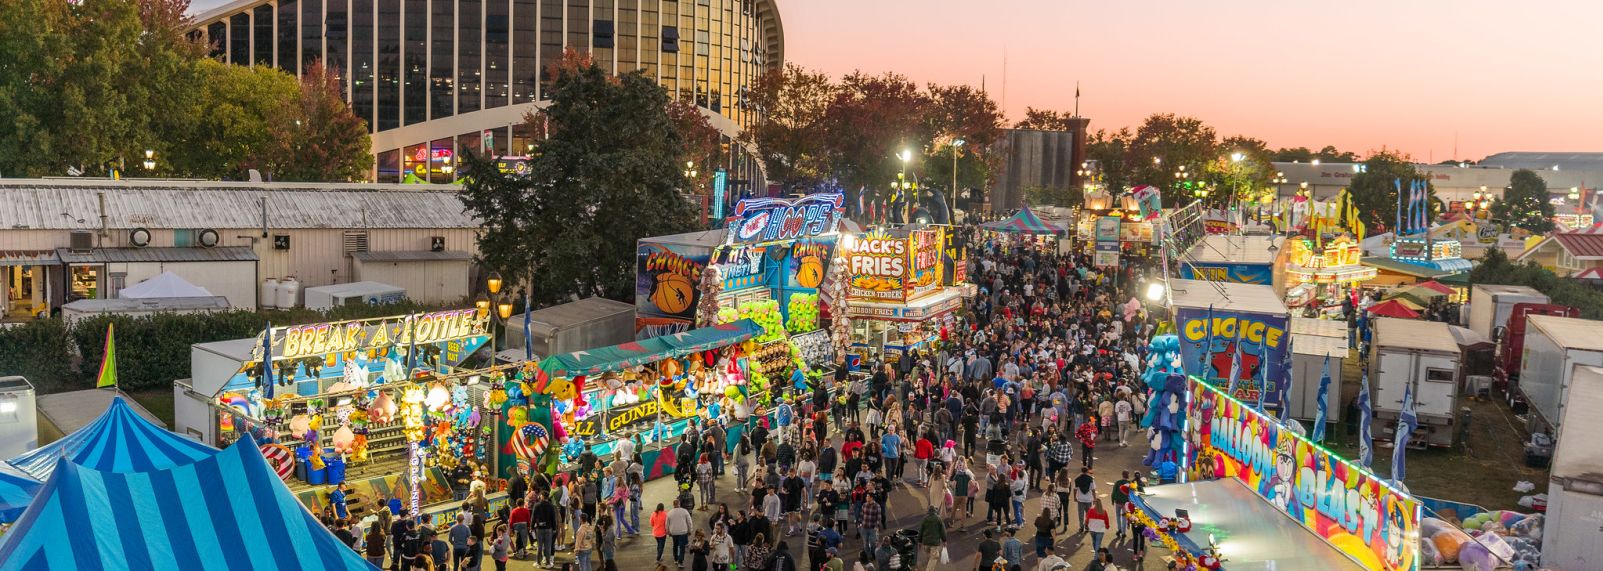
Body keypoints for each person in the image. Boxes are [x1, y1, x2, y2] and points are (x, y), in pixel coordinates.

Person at [532, 493, 559, 567]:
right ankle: (548, 563)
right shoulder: (551, 506)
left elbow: (533, 517)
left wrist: (531, 527)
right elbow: (553, 519)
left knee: (539, 546)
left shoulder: (537, 505)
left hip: (539, 528)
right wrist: (554, 528)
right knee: (548, 546)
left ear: (542, 496)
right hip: (548, 528)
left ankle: (538, 563)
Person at [917, 506, 946, 571]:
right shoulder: (938, 519)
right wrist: (944, 540)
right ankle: (929, 569)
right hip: (934, 543)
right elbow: (943, 531)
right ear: (935, 511)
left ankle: (929, 566)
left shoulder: (925, 519)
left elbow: (921, 531)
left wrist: (919, 541)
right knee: (934, 557)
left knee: (929, 555)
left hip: (926, 543)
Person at [669, 499, 695, 565]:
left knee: (675, 546)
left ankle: (675, 559)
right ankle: (680, 562)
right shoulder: (684, 511)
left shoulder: (670, 512)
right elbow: (689, 522)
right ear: (679, 504)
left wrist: (668, 532)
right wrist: (690, 530)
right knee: (682, 547)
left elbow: (667, 524)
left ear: (673, 504)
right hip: (683, 532)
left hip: (674, 532)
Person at [1073, 468, 1096, 533]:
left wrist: (1075, 497)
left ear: (1081, 471)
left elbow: (1075, 489)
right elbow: (1093, 489)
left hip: (1080, 499)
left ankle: (1081, 527)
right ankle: (1087, 526)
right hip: (1089, 499)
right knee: (1088, 514)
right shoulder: (1091, 479)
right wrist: (1094, 498)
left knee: (1080, 513)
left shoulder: (1077, 479)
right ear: (1087, 471)